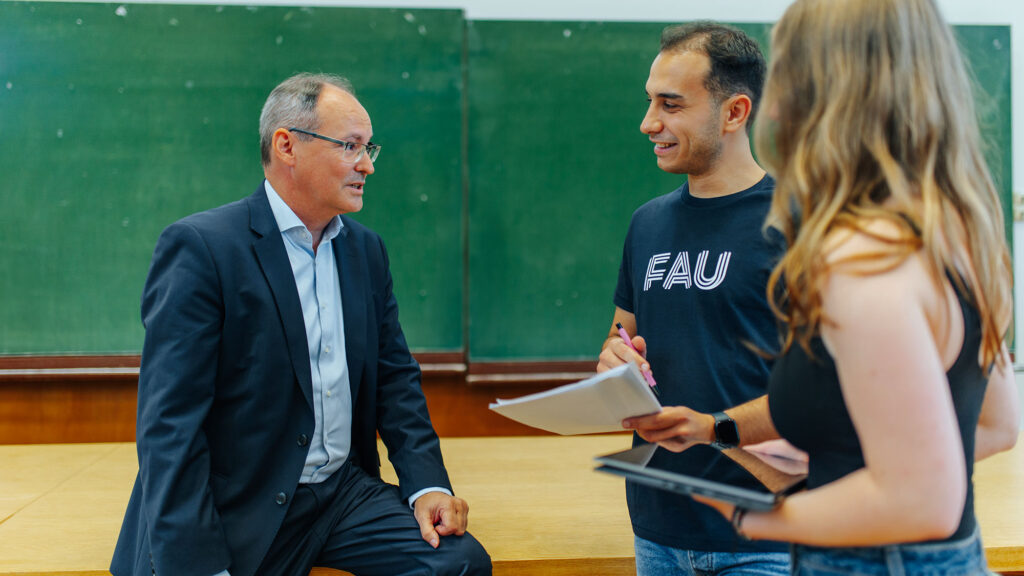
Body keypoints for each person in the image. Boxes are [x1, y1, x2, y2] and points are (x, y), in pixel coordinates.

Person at [624, 0, 1021, 574]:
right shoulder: (950, 229)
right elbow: (994, 426)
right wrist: (830, 463)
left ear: (824, 94)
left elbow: (922, 500)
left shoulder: (859, 259)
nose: (774, 104)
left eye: (787, 71)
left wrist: (751, 517)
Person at [111, 73, 491, 576]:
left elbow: (395, 379)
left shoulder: (365, 251)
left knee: (461, 563)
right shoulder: (203, 249)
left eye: (369, 147)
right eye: (350, 146)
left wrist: (428, 486)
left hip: (340, 494)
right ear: (287, 146)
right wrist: (196, 563)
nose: (367, 165)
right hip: (238, 500)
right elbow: (170, 424)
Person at [597, 22, 792, 576]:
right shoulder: (647, 223)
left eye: (671, 104)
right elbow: (620, 337)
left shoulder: (796, 225)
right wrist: (615, 360)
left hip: (768, 534)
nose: (648, 122)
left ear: (734, 113)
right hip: (658, 527)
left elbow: (830, 391)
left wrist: (715, 426)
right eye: (649, 101)